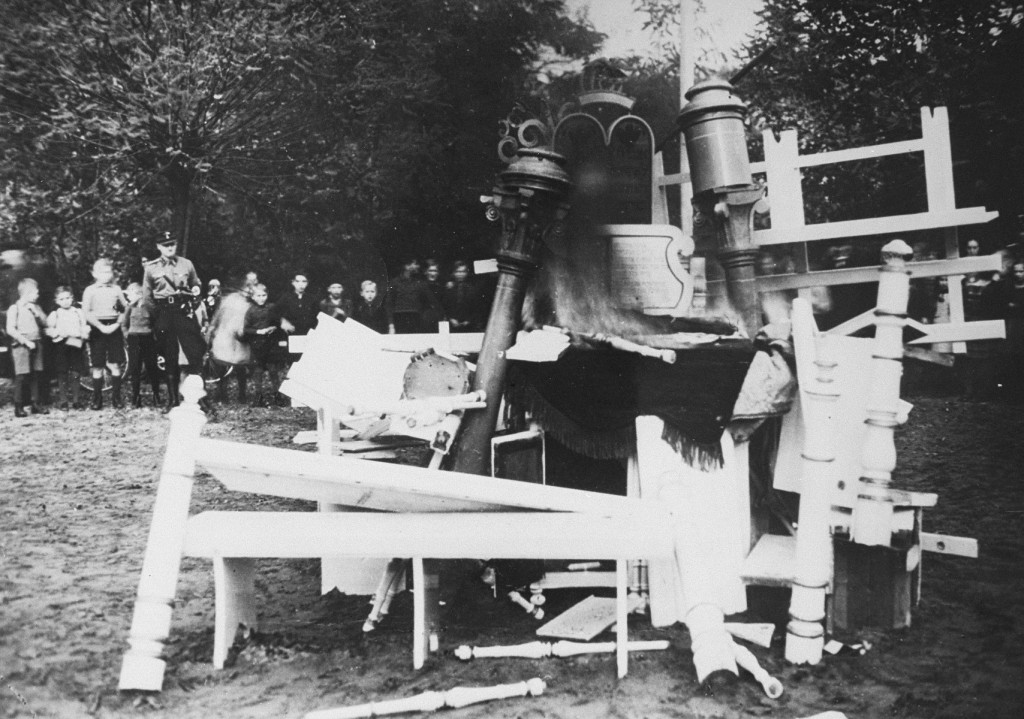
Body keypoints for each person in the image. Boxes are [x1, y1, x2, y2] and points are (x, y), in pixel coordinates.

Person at [142, 232, 207, 410]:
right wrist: (159, 315)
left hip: (183, 311)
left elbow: (196, 287)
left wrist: (192, 305)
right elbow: (147, 297)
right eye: (165, 245)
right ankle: (173, 400)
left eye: (172, 244)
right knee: (169, 356)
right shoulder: (151, 268)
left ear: (176, 245)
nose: (169, 247)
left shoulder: (186, 264)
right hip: (164, 312)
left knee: (194, 354)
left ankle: (199, 399)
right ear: (159, 247)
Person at [82, 258, 128, 409]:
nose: (106, 275)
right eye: (102, 272)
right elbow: (87, 312)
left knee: (115, 363)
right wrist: (100, 327)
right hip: (97, 328)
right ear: (94, 274)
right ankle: (97, 399)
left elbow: (124, 309)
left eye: (108, 272)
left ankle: (116, 398)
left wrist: (116, 324)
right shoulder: (90, 290)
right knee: (97, 364)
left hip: (114, 327)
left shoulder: (116, 289)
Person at [6, 277, 49, 417]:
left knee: (36, 375)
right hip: (21, 345)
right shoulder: (15, 308)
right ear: (27, 293)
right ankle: (18, 406)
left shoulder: (36, 307)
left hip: (37, 342)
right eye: (36, 292)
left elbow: (46, 323)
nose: (38, 295)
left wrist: (37, 313)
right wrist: (25, 341)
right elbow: (11, 329)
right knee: (22, 376)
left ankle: (36, 404)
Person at [242, 283, 287, 407]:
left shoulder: (272, 308)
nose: (261, 298)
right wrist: (258, 331)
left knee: (273, 370)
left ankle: (278, 395)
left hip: (271, 343)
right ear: (253, 297)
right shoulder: (250, 311)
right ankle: (258, 396)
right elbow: (246, 329)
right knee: (258, 371)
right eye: (258, 295)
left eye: (264, 295)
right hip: (257, 345)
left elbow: (279, 323)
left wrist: (274, 327)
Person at [46, 286, 89, 410]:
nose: (65, 301)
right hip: (61, 345)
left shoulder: (77, 312)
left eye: (67, 298)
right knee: (62, 372)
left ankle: (76, 400)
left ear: (72, 298)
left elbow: (84, 326)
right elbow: (50, 328)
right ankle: (63, 401)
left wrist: (82, 335)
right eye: (61, 299)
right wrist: (58, 333)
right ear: (57, 301)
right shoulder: (55, 314)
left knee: (76, 372)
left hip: (75, 343)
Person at [122, 282, 162, 408]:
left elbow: (156, 322)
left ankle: (156, 396)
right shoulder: (129, 308)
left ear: (140, 294)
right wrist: (127, 335)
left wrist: (154, 337)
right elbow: (124, 324)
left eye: (131, 293)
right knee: (135, 368)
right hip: (134, 339)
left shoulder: (149, 307)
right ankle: (136, 397)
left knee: (152, 367)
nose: (128, 297)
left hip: (148, 339)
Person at [389, 257, 440, 333]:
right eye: (415, 264)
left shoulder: (420, 283)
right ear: (406, 266)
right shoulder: (395, 283)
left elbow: (433, 302)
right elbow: (389, 305)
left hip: (417, 323)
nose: (418, 266)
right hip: (399, 322)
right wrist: (391, 325)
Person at [277, 272, 319, 363]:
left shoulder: (312, 299)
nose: (301, 284)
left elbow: (318, 317)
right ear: (293, 283)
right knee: (292, 359)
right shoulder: (286, 298)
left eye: (304, 281)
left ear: (307, 283)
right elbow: (275, 313)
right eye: (298, 281)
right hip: (292, 334)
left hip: (307, 334)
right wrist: (282, 321)